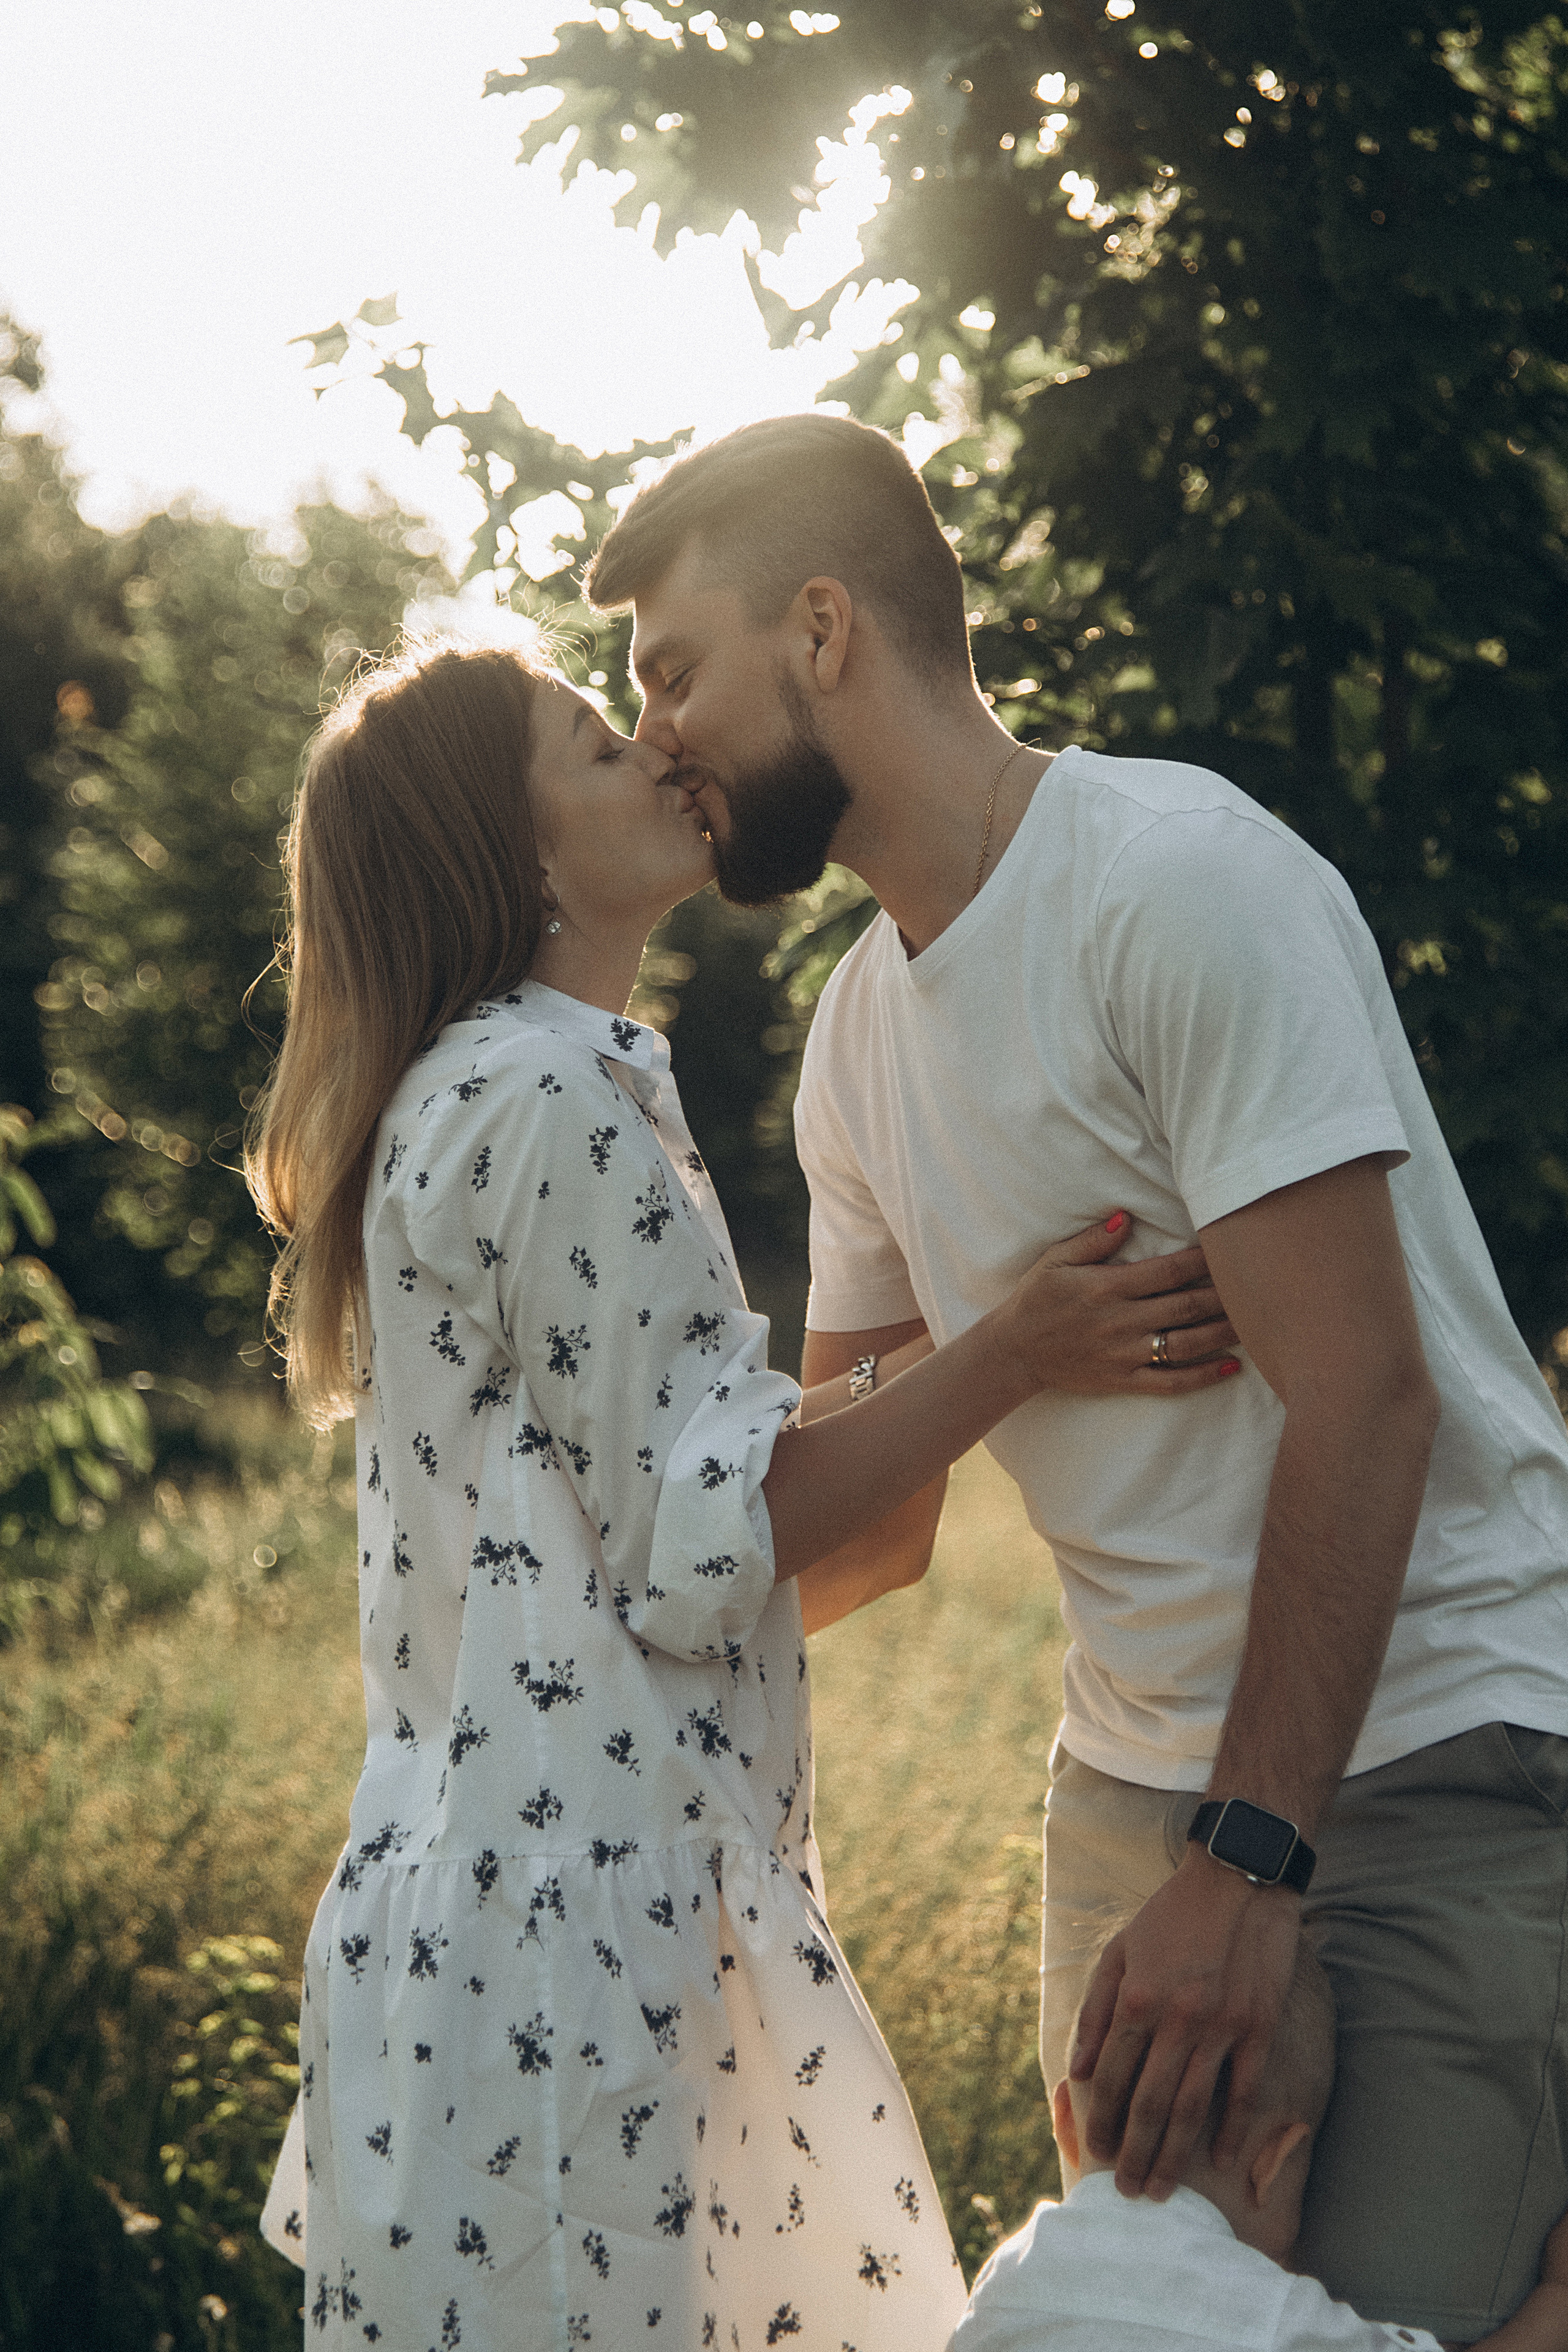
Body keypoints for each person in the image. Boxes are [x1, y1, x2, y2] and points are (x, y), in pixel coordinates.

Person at [585, 409, 1568, 2343]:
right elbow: (868, 1534)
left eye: (672, 671)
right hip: (1133, 1795)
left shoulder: (1171, 884)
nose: (654, 735)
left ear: (820, 629)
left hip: (1426, 1747)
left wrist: (1247, 1864)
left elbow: (1366, 1401)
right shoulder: (856, 1041)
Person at [246, 640, 1241, 2349]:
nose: (652, 750)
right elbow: (703, 1544)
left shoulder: (503, 1085)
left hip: (519, 1919)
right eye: (592, 744)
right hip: (578, 1957)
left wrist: (959, 1339)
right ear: (517, 855)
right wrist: (1017, 1347)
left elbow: (667, 1466)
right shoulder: (547, 1101)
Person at [949, 1932, 1568, 2352]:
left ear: (1064, 2120)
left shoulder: (1005, 2282)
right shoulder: (1270, 2315)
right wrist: (1556, 2302)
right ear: (1273, 2162)